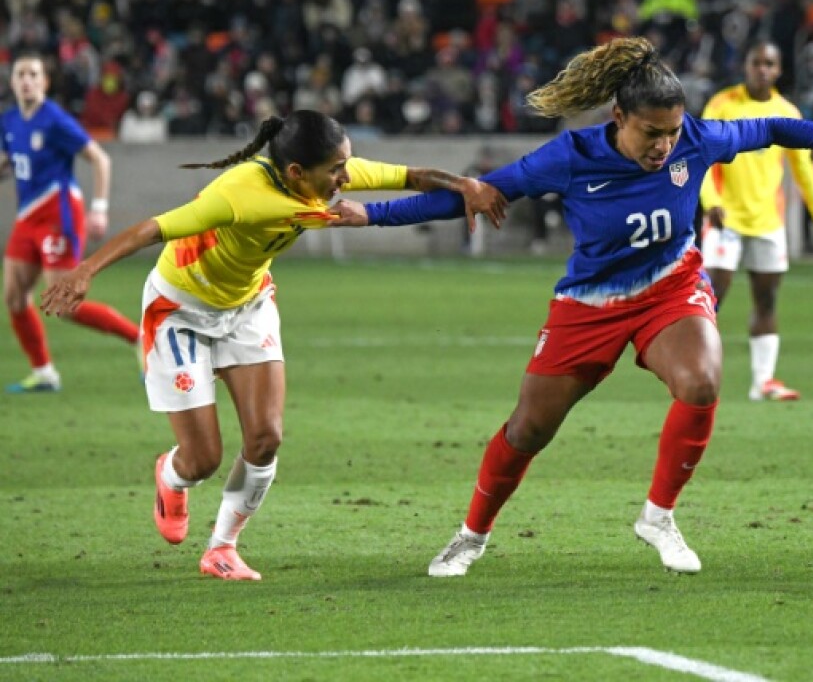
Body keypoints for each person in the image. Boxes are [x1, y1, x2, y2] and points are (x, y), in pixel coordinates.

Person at [331, 36, 813, 577]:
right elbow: (475, 195)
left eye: (672, 132)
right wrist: (373, 215)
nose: (664, 146)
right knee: (528, 429)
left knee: (701, 382)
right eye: (651, 133)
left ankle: (659, 516)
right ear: (619, 118)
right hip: (590, 302)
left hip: (670, 288)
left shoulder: (698, 139)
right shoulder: (571, 156)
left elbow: (773, 126)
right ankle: (471, 535)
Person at [40, 110, 507, 582]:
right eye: (337, 170)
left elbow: (413, 176)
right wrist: (85, 271)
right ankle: (172, 475)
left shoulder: (328, 170)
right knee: (203, 460)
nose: (347, 177)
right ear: (297, 173)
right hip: (179, 311)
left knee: (266, 438)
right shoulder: (239, 193)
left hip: (247, 306)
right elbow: (154, 228)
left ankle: (222, 547)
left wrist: (464, 184)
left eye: (346, 165)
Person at [699, 41, 813, 402]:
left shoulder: (787, 113)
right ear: (746, 66)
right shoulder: (722, 104)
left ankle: (762, 381)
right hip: (726, 219)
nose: (762, 69)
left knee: (766, 301)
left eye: (769, 63)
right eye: (756, 62)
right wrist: (711, 202)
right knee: (709, 300)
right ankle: (696, 375)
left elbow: (804, 170)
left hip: (768, 222)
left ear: (778, 70)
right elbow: (700, 154)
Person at [2, 53, 139, 393]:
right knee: (14, 297)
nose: (27, 80)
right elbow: (12, 161)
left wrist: (99, 208)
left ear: (45, 82)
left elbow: (100, 159)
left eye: (33, 74)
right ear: (12, 82)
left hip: (58, 216)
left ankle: (140, 338)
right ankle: (44, 373)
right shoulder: (9, 121)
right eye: (21, 74)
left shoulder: (55, 120)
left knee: (63, 304)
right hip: (27, 218)